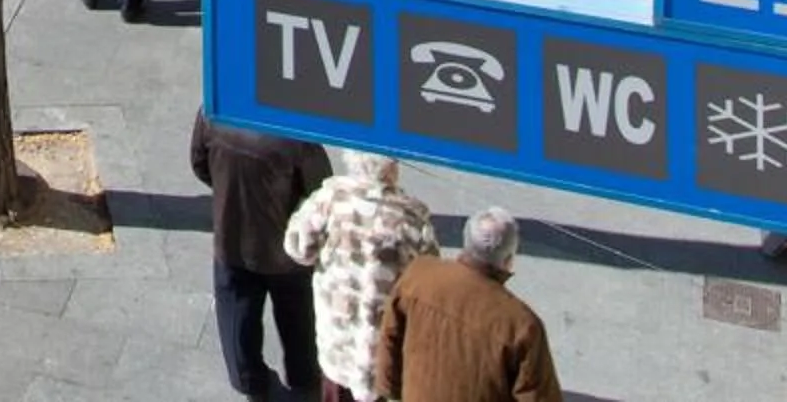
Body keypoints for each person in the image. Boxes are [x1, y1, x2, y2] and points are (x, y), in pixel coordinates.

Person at [191, 109, 331, 400]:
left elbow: (200, 164)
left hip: (232, 242)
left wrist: (231, 196)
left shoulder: (214, 112)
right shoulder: (295, 132)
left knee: (237, 324)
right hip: (286, 253)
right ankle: (304, 383)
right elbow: (321, 191)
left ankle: (252, 383)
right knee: (299, 326)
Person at [287, 149, 442, 402]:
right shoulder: (413, 218)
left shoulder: (331, 199)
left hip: (338, 344)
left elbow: (297, 247)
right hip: (386, 351)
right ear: (392, 169)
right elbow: (431, 281)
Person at [376, 208, 562, 402]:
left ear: (465, 242)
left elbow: (390, 344)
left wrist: (394, 393)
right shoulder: (521, 325)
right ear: (509, 260)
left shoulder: (418, 275)